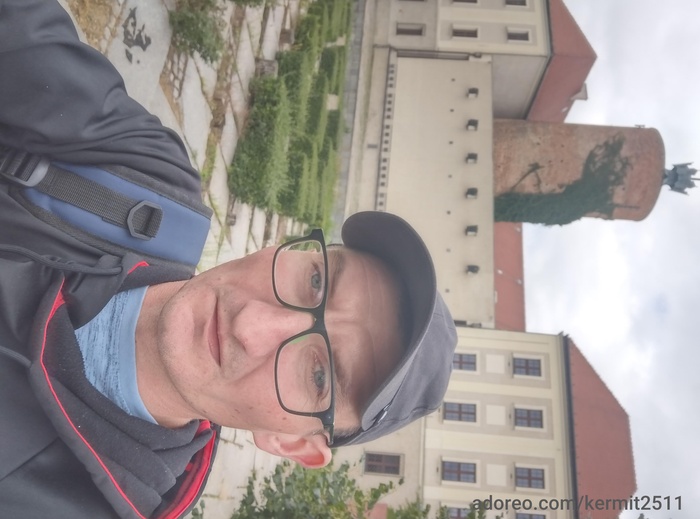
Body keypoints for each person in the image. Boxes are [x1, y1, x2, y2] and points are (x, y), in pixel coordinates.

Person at [0, 1, 458, 518]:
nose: (252, 324)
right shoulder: (148, 187)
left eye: (319, 376)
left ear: (293, 444)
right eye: (315, 280)